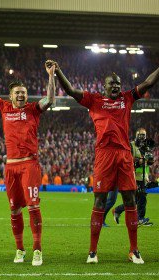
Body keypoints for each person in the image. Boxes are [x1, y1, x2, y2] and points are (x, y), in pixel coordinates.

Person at [51, 59, 159, 264]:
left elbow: (147, 84)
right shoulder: (94, 100)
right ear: (104, 86)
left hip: (124, 154)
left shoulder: (127, 98)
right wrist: (58, 71)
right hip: (104, 154)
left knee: (130, 200)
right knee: (99, 201)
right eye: (112, 84)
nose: (116, 86)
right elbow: (71, 91)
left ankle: (134, 250)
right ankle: (92, 251)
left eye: (118, 84)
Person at [0, 60, 56, 266]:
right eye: (17, 93)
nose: (21, 95)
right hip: (11, 167)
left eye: (23, 92)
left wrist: (51, 75)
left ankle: (37, 250)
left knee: (33, 206)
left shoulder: (34, 109)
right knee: (14, 210)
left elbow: (50, 98)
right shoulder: (4, 108)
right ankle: (20, 249)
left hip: (29, 165)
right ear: (11, 96)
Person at [112, 128, 154, 227]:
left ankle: (117, 210)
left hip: (143, 176)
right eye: (140, 135)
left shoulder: (146, 146)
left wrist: (149, 160)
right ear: (136, 135)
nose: (142, 137)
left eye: (144, 135)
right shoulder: (131, 145)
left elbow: (148, 163)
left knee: (135, 200)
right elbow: (128, 160)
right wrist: (139, 161)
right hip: (133, 176)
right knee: (142, 197)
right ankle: (140, 219)